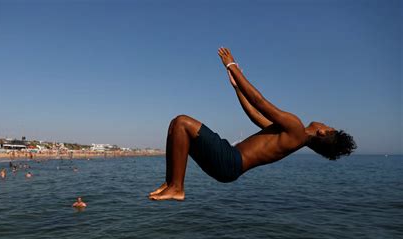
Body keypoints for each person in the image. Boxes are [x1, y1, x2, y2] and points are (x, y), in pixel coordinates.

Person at [149, 47, 356, 201]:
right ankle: (171, 183)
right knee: (175, 128)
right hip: (228, 166)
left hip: (230, 161)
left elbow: (260, 102)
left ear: (321, 132)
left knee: (182, 122)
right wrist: (237, 88)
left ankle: (177, 187)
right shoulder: (294, 137)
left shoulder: (296, 127)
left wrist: (232, 66)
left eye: (327, 125)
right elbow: (255, 115)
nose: (324, 121)